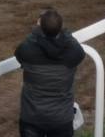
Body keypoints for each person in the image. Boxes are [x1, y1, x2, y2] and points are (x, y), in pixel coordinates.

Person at [15, 9, 85, 137]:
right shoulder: (74, 53)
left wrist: (37, 30)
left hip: (32, 119)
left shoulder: (28, 51)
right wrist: (62, 30)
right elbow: (74, 45)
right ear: (61, 28)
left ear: (39, 27)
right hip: (61, 120)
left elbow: (20, 51)